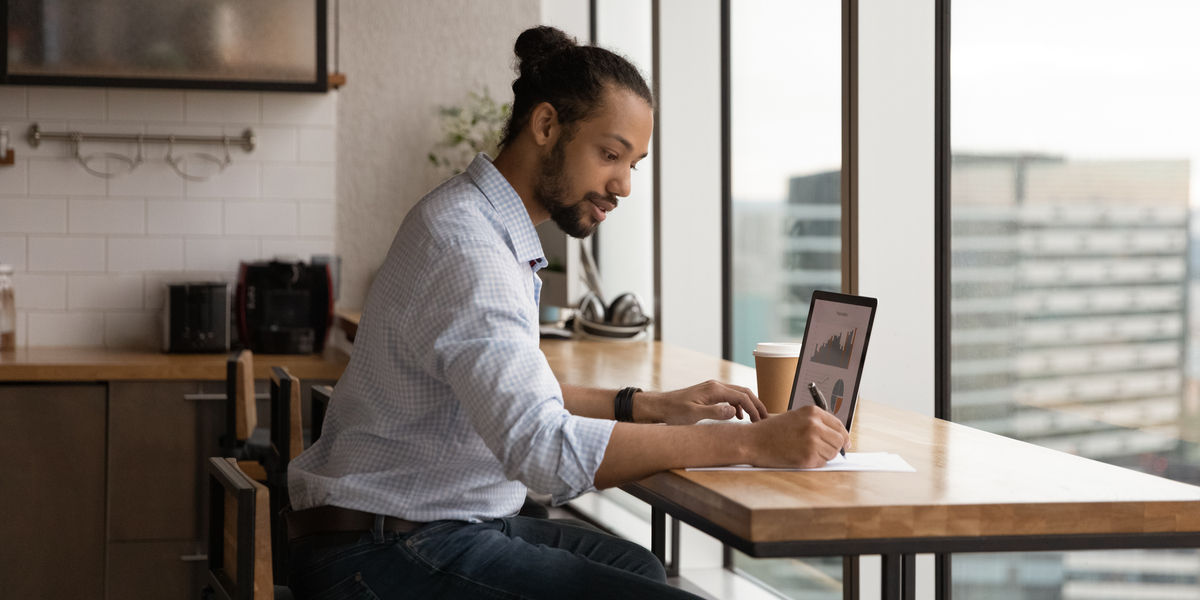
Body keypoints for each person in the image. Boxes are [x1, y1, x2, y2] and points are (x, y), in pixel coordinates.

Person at [285, 25, 849, 600]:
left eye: (634, 164)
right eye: (610, 155)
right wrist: (754, 443)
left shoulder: (477, 222)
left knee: (639, 569)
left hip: (408, 524)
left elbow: (516, 390)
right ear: (546, 125)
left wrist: (648, 405)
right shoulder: (470, 249)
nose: (624, 186)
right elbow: (544, 452)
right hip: (381, 552)